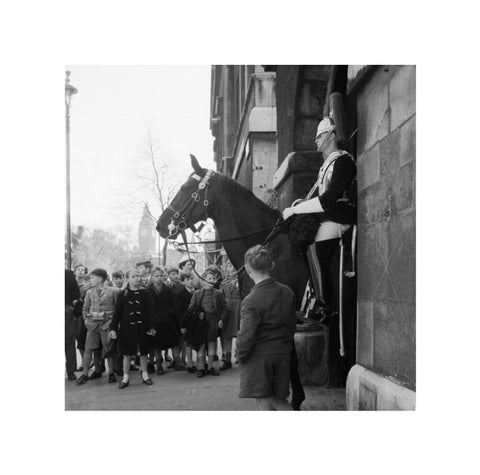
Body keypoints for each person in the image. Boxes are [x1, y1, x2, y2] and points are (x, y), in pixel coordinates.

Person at [237, 245, 296, 411]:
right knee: (279, 399)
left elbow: (246, 335)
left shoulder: (251, 300)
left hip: (259, 357)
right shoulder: (287, 292)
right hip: (282, 353)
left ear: (248, 269)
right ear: (272, 265)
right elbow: (292, 325)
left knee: (264, 402)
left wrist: (240, 354)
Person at [109, 269, 156, 389]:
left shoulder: (146, 293)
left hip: (142, 327)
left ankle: (145, 375)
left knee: (144, 352)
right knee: (127, 353)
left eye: (138, 276)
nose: (137, 278)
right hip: (127, 328)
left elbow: (151, 312)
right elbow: (117, 313)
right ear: (128, 279)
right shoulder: (122, 294)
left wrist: (152, 326)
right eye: (134, 276)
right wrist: (113, 328)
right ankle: (125, 378)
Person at [76, 269, 119, 385]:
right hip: (92, 325)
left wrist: (112, 322)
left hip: (107, 325)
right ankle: (84, 374)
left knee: (108, 349)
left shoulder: (114, 291)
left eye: (92, 278)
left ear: (100, 279)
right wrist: (87, 321)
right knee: (88, 349)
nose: (90, 280)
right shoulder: (89, 292)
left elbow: (118, 309)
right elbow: (85, 309)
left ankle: (111, 373)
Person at [183, 269, 227, 378]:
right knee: (201, 345)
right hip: (200, 323)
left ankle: (210, 367)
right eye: (209, 279)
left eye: (213, 279)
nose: (212, 281)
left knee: (212, 344)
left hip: (213, 321)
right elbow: (191, 308)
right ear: (203, 281)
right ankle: (201, 367)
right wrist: (195, 316)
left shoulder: (219, 293)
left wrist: (221, 319)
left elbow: (225, 308)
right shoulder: (197, 293)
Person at [147, 266, 184, 374]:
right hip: (154, 321)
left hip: (168, 320)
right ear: (152, 277)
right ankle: (159, 365)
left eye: (161, 276)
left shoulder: (168, 290)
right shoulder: (148, 291)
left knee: (173, 342)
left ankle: (178, 362)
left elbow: (174, 305)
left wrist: (169, 313)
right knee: (156, 344)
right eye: (156, 276)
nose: (159, 278)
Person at [219, 260, 241, 371]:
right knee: (227, 335)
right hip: (227, 309)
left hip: (239, 308)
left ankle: (240, 356)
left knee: (240, 333)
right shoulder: (224, 281)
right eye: (229, 265)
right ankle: (227, 360)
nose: (231, 267)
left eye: (233, 264)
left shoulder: (242, 279)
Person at [176, 272, 197, 372]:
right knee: (186, 343)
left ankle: (200, 361)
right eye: (187, 279)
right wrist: (183, 324)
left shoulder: (198, 292)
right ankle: (188, 362)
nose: (190, 281)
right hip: (186, 323)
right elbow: (179, 312)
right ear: (183, 281)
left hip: (197, 322)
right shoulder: (180, 294)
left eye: (192, 279)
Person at [74, 264, 91, 368]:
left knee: (82, 338)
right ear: (75, 271)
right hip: (72, 313)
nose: (80, 271)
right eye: (78, 269)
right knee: (77, 338)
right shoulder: (71, 283)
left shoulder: (87, 285)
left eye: (82, 270)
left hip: (83, 313)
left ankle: (85, 362)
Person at [65, 269, 81, 381]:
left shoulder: (68, 274)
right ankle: (70, 371)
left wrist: (71, 306)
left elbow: (76, 293)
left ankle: (70, 370)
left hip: (66, 310)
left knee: (69, 341)